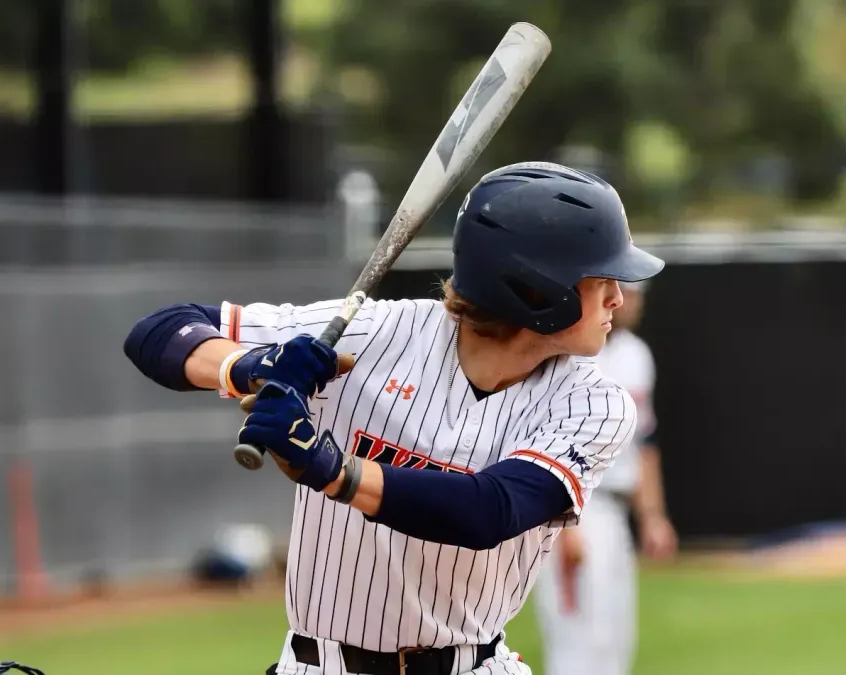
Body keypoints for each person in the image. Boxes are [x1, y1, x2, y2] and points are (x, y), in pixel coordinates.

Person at [122, 161, 665, 675]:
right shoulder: (376, 332)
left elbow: (489, 511)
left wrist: (335, 470)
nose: (618, 297)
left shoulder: (592, 401)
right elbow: (159, 331)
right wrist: (252, 368)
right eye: (602, 279)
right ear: (538, 288)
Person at [532, 279, 678, 675]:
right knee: (578, 639)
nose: (629, 302)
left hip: (615, 510)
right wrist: (562, 526)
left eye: (635, 294)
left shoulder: (636, 355)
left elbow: (645, 442)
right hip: (577, 505)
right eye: (624, 292)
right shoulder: (566, 353)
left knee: (615, 635)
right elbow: (541, 442)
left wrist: (652, 516)